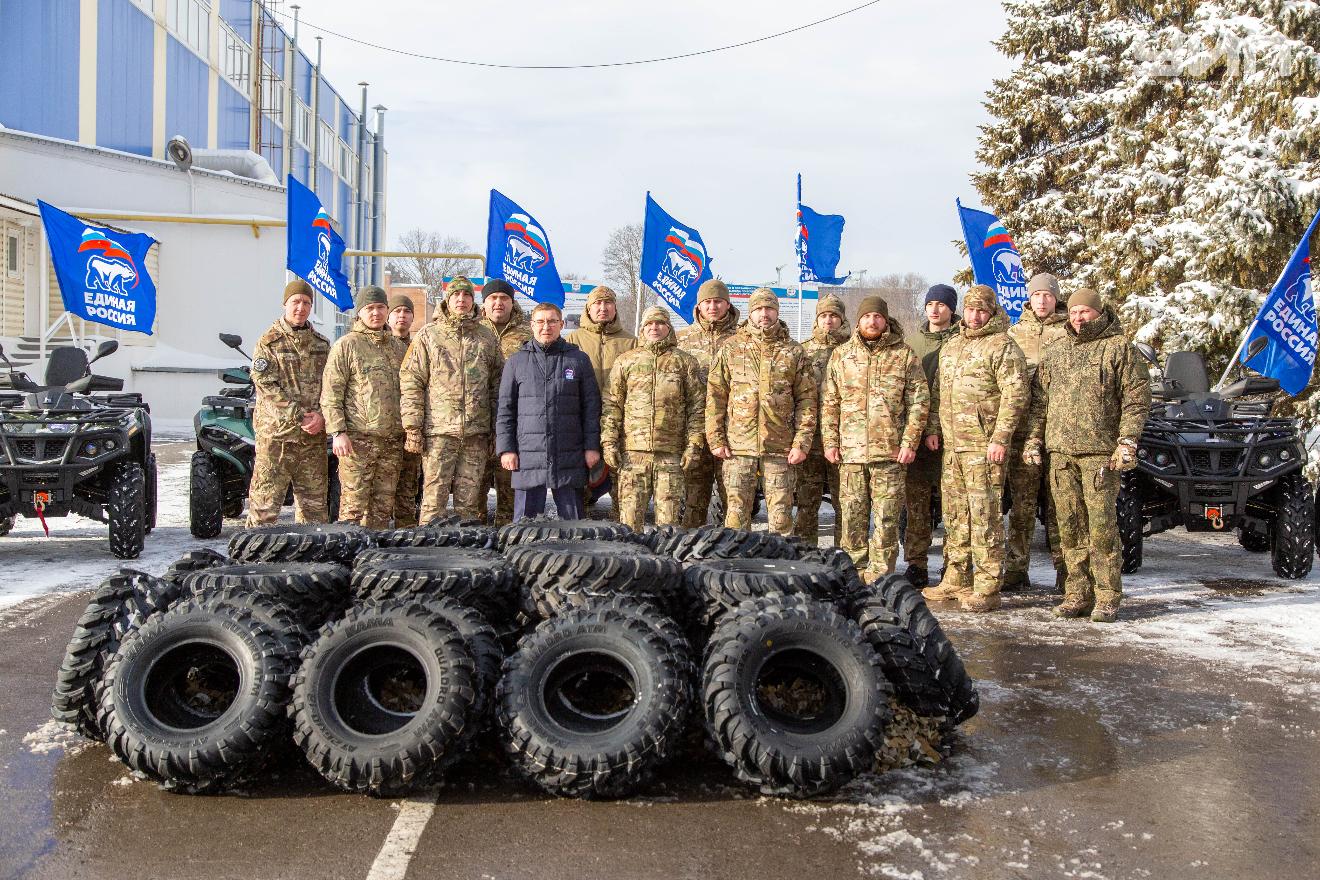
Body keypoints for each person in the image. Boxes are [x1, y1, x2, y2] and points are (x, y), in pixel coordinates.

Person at [1025, 289, 1151, 623]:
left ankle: (1107, 596)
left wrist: (1127, 440)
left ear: (1099, 313)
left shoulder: (1118, 348)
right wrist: (1034, 440)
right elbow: (1040, 402)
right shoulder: (1057, 350)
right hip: (1060, 453)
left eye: (1086, 312)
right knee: (1068, 528)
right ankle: (1076, 593)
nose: (1079, 318)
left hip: (1100, 455)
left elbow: (1136, 398)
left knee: (1101, 529)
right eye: (1075, 312)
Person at [923, 285, 1028, 612]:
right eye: (970, 310)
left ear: (992, 312)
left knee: (985, 515)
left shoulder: (1003, 346)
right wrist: (934, 429)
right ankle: (956, 576)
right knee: (955, 515)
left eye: (982, 310)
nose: (975, 315)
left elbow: (1016, 396)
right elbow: (939, 393)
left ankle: (986, 584)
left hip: (984, 448)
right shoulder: (952, 346)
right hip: (954, 448)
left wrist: (1000, 437)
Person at [821, 296, 930, 579]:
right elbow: (830, 402)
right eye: (867, 316)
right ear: (857, 321)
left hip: (890, 454)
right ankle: (854, 571)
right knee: (853, 515)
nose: (872, 321)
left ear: (886, 321)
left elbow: (919, 401)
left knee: (886, 518)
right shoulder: (841, 356)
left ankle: (882, 575)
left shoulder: (904, 355)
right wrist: (830, 442)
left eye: (878, 317)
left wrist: (909, 443)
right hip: (851, 454)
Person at [706, 288, 816, 535]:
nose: (763, 314)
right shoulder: (731, 348)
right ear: (750, 313)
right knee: (735, 518)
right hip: (738, 448)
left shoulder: (794, 351)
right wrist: (715, 439)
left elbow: (807, 401)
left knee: (781, 520)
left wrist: (801, 443)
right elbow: (715, 397)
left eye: (769, 308)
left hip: (780, 450)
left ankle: (779, 571)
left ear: (777, 311)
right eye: (758, 309)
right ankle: (736, 569)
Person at [399, 275, 503, 524]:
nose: (461, 300)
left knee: (468, 505)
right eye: (456, 295)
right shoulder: (429, 335)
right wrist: (413, 427)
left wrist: (496, 429)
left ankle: (464, 555)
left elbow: (497, 385)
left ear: (473, 300)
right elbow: (412, 381)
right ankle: (428, 552)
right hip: (439, 432)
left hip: (476, 433)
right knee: (434, 501)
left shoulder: (487, 337)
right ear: (447, 299)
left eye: (466, 295)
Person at [601, 306, 705, 531]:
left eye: (660, 323)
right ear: (642, 329)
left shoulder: (684, 362)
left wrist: (693, 446)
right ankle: (630, 564)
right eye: (649, 324)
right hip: (633, 455)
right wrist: (609, 443)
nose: (654, 328)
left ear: (668, 327)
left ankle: (666, 564)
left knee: (668, 525)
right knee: (629, 523)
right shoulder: (626, 361)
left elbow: (697, 407)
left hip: (670, 456)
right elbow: (612, 405)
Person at [496, 302, 601, 521]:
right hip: (527, 457)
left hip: (568, 456)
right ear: (532, 325)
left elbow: (591, 408)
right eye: (541, 321)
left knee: (575, 531)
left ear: (561, 324)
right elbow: (506, 410)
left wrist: (592, 447)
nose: (546, 327)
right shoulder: (516, 362)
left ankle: (575, 555)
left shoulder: (578, 360)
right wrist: (507, 449)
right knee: (524, 529)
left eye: (552, 321)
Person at [246, 279, 331, 526]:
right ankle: (256, 558)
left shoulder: (321, 345)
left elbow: (331, 386)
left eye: (306, 303)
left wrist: (321, 415)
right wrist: (298, 414)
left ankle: (311, 559)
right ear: (285, 304)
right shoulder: (269, 342)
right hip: (277, 438)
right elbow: (265, 384)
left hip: (312, 439)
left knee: (314, 510)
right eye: (295, 302)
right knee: (265, 507)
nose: (300, 308)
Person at [1004, 273, 1069, 591]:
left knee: (1060, 503)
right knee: (1022, 504)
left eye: (1048, 295)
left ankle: (1065, 568)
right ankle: (1016, 567)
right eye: (1037, 295)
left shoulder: (1070, 331)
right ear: (1028, 298)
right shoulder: (1015, 333)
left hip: (1060, 429)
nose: (1042, 301)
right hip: (1023, 430)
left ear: (1056, 298)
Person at [320, 286, 404, 529]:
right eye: (369, 308)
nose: (375, 313)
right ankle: (347, 554)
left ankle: (373, 559)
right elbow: (331, 392)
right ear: (359, 314)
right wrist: (338, 432)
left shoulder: (398, 348)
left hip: (390, 441)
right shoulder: (347, 345)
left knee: (382, 507)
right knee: (353, 507)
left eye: (380, 307)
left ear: (387, 310)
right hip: (357, 441)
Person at [902, 284, 960, 587]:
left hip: (955, 437)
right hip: (918, 440)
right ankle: (916, 563)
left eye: (942, 304)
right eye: (931, 304)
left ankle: (954, 565)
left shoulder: (963, 341)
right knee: (917, 507)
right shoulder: (910, 344)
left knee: (954, 508)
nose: (935, 310)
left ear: (952, 308)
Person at [676, 278, 740, 527]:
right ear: (699, 306)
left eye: (718, 302)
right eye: (707, 302)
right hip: (694, 430)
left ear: (727, 304)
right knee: (693, 497)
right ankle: (690, 551)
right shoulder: (682, 339)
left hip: (732, 430)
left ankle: (731, 552)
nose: (712, 307)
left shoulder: (742, 338)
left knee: (733, 498)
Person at [793, 295, 851, 546]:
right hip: (811, 439)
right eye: (824, 315)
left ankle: (842, 553)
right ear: (817, 318)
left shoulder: (852, 349)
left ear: (842, 318)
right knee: (807, 501)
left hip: (845, 439)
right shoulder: (802, 350)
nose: (829, 320)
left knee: (845, 501)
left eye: (834, 315)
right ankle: (806, 552)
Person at [479, 279, 533, 526]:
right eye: (493, 298)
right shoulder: (473, 330)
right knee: (472, 494)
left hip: (514, 425)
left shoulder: (528, 335)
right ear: (485, 302)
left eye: (504, 298)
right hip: (476, 423)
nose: (498, 303)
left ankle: (509, 544)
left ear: (512, 302)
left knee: (510, 492)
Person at [387, 293, 421, 527]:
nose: (402, 316)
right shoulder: (379, 345)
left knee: (409, 488)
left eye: (406, 311)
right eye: (397, 311)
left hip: (411, 432)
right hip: (384, 429)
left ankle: (406, 534)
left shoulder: (420, 346)